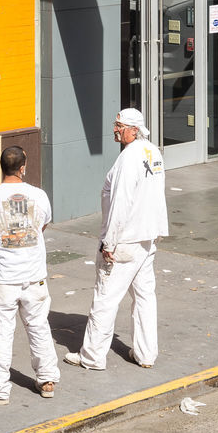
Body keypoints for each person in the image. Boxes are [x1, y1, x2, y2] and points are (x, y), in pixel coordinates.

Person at [64, 107, 168, 371]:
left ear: (134, 130)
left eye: (119, 126)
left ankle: (92, 356)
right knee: (145, 296)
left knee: (105, 297)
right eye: (115, 124)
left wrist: (109, 243)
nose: (115, 129)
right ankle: (146, 354)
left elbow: (120, 203)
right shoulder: (153, 152)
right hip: (146, 239)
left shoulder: (128, 159)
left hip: (124, 242)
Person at [0, 145, 60, 403]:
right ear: (23, 167)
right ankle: (47, 379)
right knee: (39, 326)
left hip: (3, 277)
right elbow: (42, 226)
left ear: (1, 167)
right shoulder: (40, 195)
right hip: (34, 275)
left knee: (0, 331)